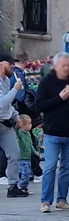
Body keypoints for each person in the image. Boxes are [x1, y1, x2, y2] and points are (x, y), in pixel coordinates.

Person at [34, 53, 69, 213]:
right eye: (64, 65)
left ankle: (62, 200)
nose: (67, 68)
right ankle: (45, 201)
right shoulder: (46, 83)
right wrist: (59, 98)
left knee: (66, 168)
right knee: (50, 167)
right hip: (52, 132)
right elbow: (39, 106)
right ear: (56, 66)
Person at [0, 53, 25, 196]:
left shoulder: (5, 81)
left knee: (14, 153)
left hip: (5, 122)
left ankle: (13, 186)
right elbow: (1, 103)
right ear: (2, 64)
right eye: (10, 64)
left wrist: (16, 116)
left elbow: (7, 105)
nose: (13, 67)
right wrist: (15, 89)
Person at [15, 115, 33, 196]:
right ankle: (21, 185)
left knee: (27, 172)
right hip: (22, 157)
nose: (31, 125)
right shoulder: (20, 133)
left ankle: (24, 186)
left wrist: (34, 151)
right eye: (29, 124)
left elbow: (30, 144)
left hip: (27, 156)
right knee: (25, 172)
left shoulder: (28, 134)